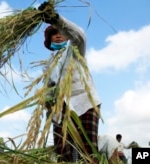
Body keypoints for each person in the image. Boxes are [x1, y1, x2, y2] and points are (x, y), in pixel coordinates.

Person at [38, 1, 102, 163]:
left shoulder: (75, 49)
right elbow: (49, 89)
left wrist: (56, 19)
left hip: (84, 104)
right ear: (49, 40)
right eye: (54, 33)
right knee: (63, 154)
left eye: (61, 31)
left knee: (88, 153)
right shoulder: (48, 64)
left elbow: (80, 35)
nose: (58, 34)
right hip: (60, 111)